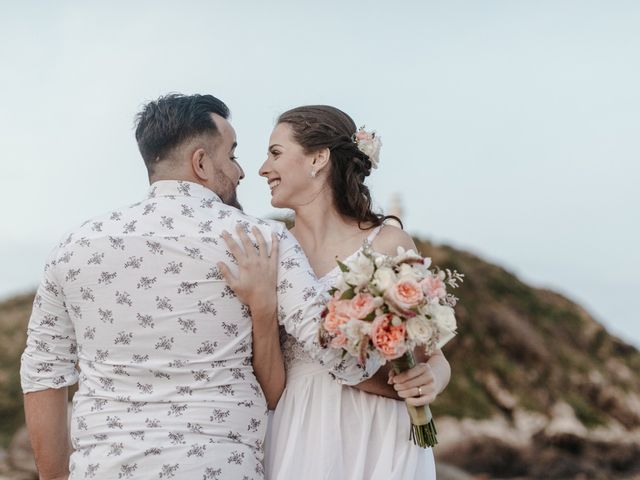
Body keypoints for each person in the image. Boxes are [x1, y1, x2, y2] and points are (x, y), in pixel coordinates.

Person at [19, 94, 382, 480]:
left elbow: (44, 373)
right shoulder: (260, 240)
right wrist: (407, 373)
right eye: (232, 155)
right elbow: (341, 353)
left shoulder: (76, 246)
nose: (242, 172)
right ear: (202, 163)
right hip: (217, 467)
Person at [221, 105, 451, 480]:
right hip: (302, 427)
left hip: (383, 433)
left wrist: (432, 381)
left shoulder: (389, 241)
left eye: (275, 153)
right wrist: (263, 311)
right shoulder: (272, 253)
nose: (262, 168)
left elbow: (433, 356)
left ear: (318, 158)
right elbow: (273, 390)